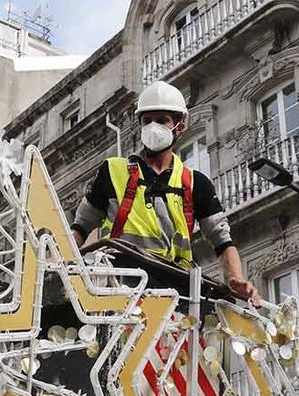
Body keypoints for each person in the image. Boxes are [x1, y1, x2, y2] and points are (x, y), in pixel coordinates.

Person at [70, 80, 260, 304]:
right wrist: (60, 264)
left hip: (174, 289)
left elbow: (223, 242)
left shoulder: (195, 184)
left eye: (162, 120)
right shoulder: (113, 171)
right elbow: (79, 229)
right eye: (147, 120)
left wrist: (235, 279)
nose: (153, 127)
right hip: (120, 284)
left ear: (179, 126)